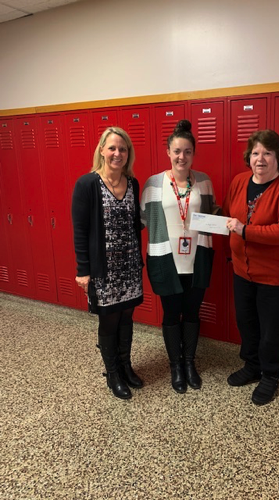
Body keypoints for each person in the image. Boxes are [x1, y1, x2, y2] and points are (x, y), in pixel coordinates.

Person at [223, 129, 279, 405]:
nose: (260, 159)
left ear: (278, 158)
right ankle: (252, 365)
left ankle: (271, 375)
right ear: (249, 157)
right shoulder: (239, 181)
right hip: (242, 270)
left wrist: (245, 230)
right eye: (256, 153)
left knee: (272, 328)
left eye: (267, 153)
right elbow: (229, 215)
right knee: (246, 322)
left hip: (278, 276)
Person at [140, 120, 219, 394]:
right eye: (176, 151)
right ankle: (175, 365)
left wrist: (230, 222)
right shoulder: (154, 183)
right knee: (172, 314)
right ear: (168, 152)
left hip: (197, 259)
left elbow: (212, 215)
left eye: (187, 151)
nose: (181, 157)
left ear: (193, 153)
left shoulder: (204, 181)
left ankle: (189, 363)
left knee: (193, 313)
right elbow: (141, 219)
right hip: (166, 260)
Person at [72, 126, 144, 400]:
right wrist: (83, 270)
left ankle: (126, 366)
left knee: (127, 317)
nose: (117, 153)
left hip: (129, 266)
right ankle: (112, 374)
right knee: (109, 321)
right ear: (102, 150)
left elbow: (134, 223)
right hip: (104, 270)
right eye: (112, 147)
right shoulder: (87, 184)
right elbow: (80, 230)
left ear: (128, 154)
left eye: (122, 149)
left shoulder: (132, 183)